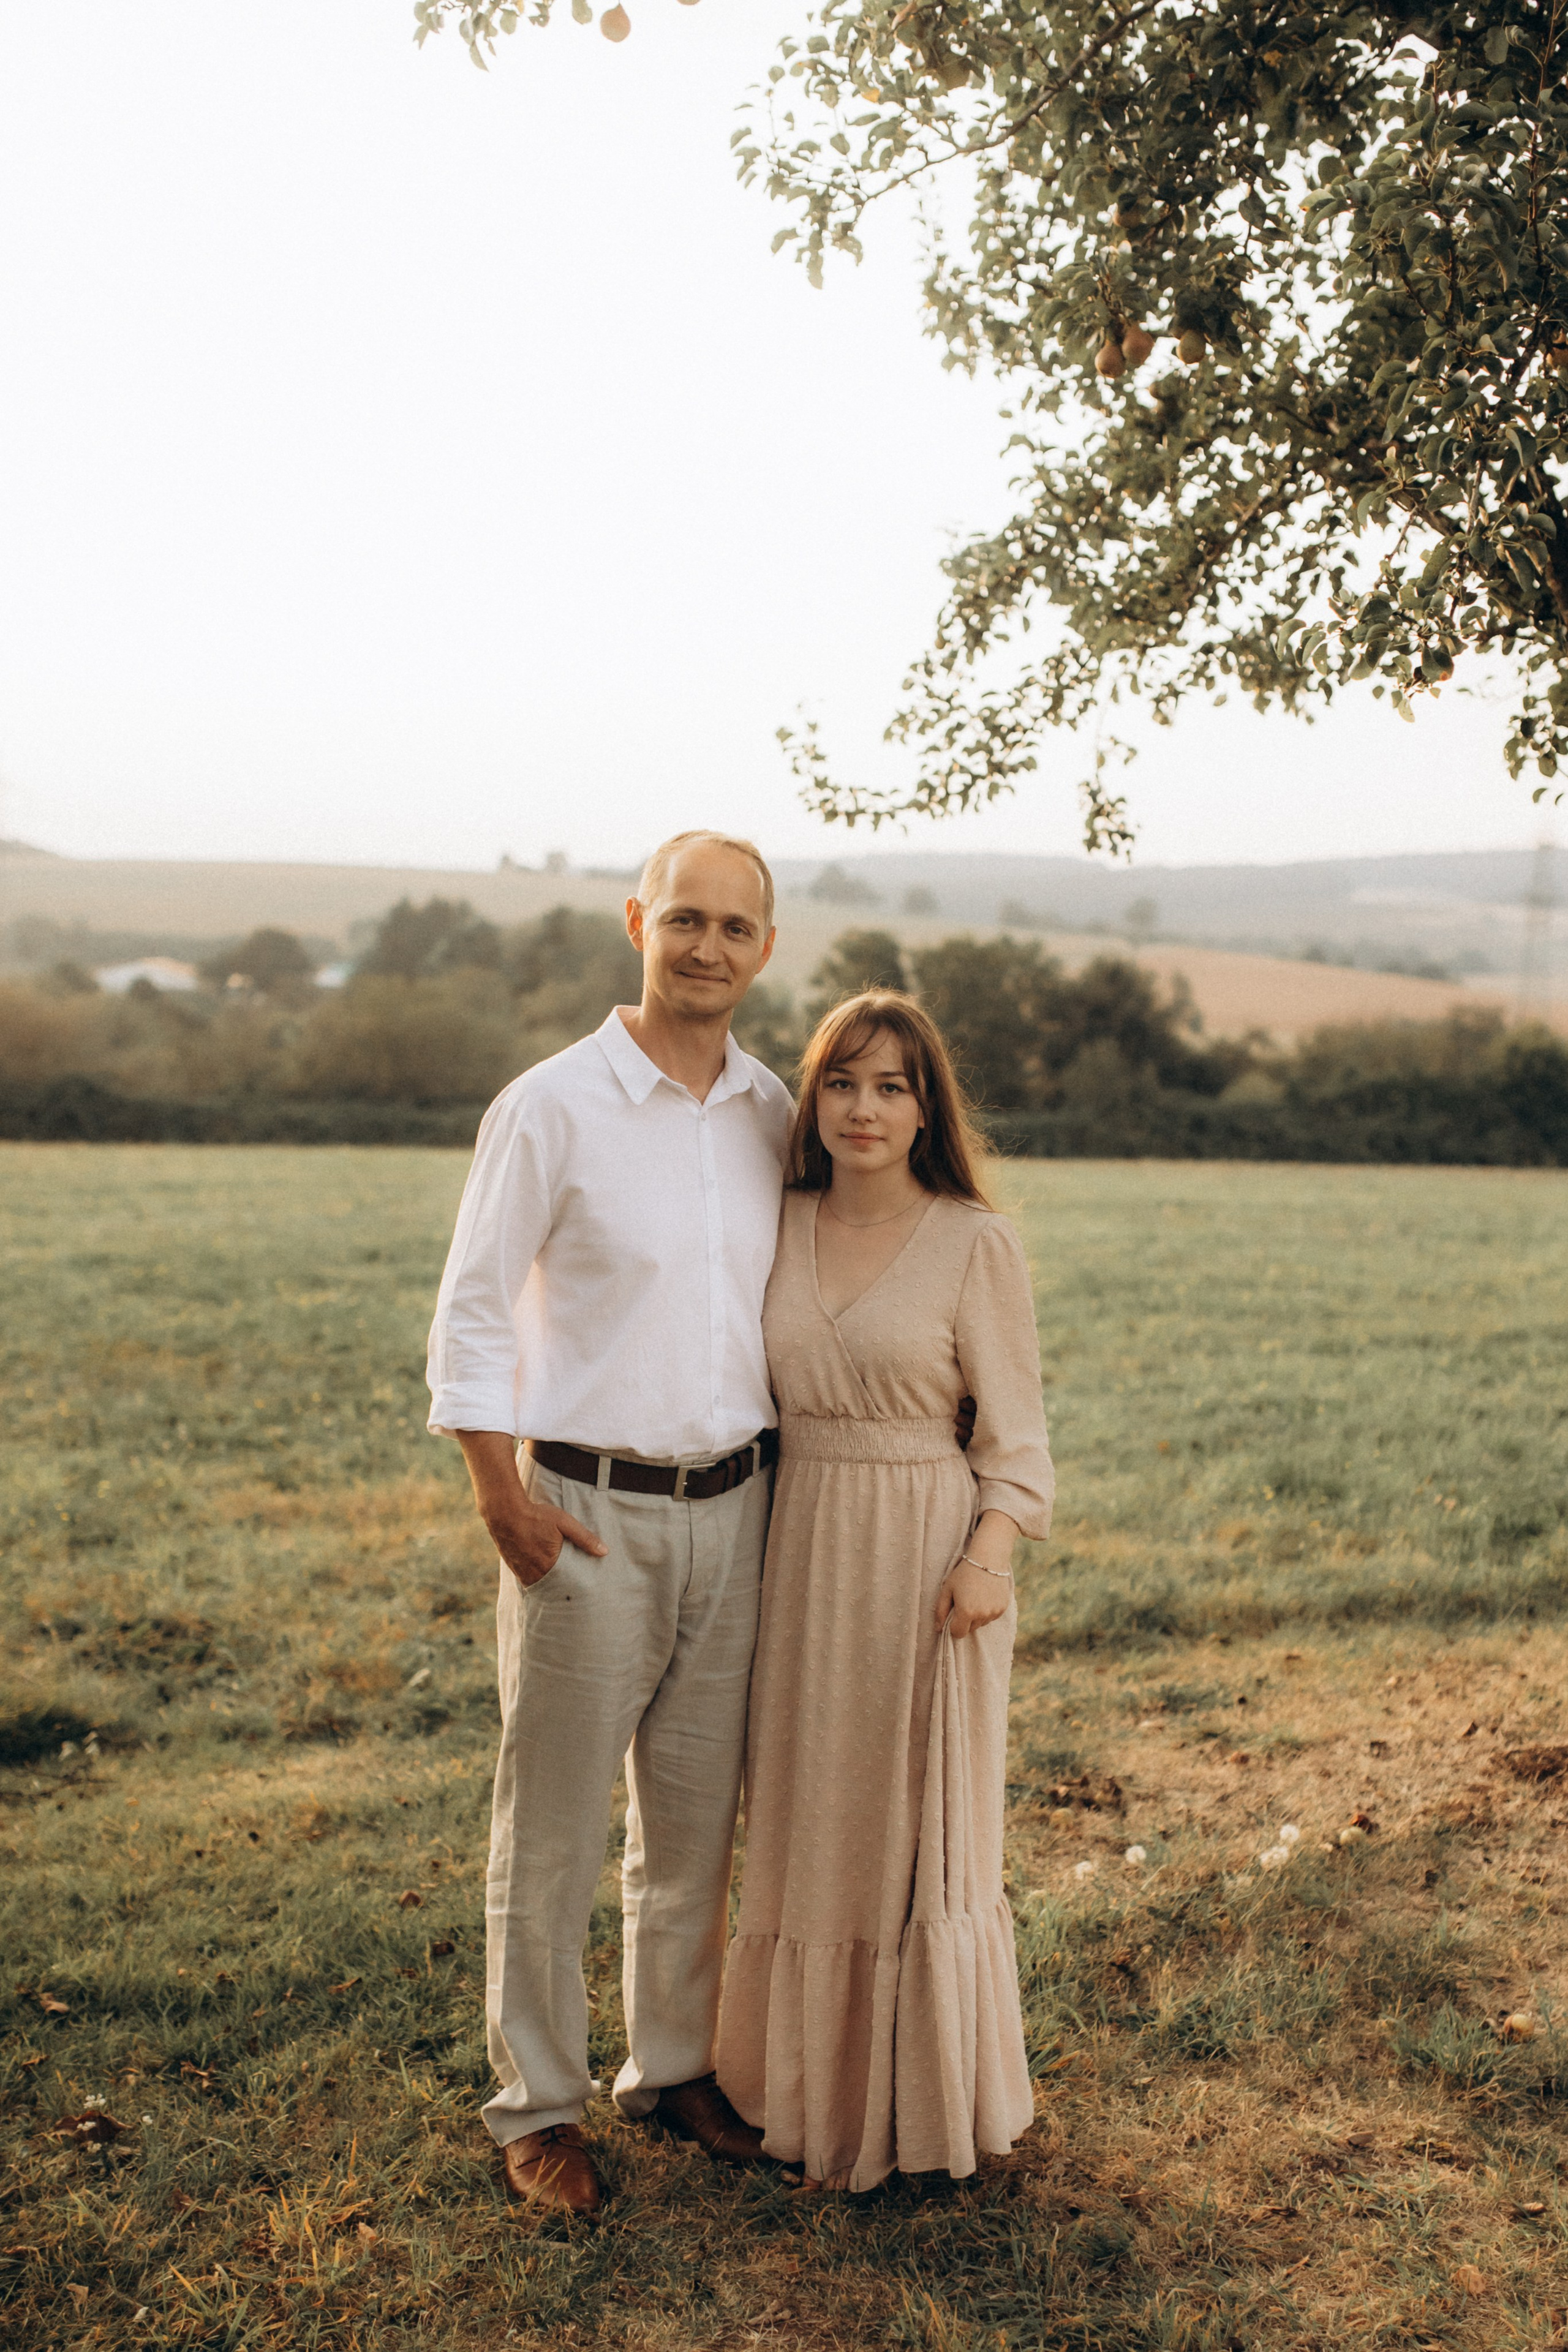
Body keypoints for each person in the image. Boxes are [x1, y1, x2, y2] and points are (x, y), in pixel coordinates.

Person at [425, 830, 794, 2217]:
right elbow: (472, 1305)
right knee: (555, 1833)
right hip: (583, 1515)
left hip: (738, 1510)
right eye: (685, 918)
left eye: (735, 927)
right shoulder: (552, 1105)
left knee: (693, 1827)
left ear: (767, 949)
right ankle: (536, 2106)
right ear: (638, 924)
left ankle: (674, 2068)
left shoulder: (771, 1109)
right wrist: (498, 1494)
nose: (707, 947)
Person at [715, 990, 1054, 2193]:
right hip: (799, 1546)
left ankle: (918, 2103)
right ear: (811, 1100)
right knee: (810, 1815)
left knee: (910, 1825)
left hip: (926, 1560)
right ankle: (798, 2088)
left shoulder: (972, 1241)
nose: (864, 1108)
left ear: (925, 1111)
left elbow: (1017, 1442)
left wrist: (987, 1558)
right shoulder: (774, 1221)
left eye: (892, 1087)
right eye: (843, 1083)